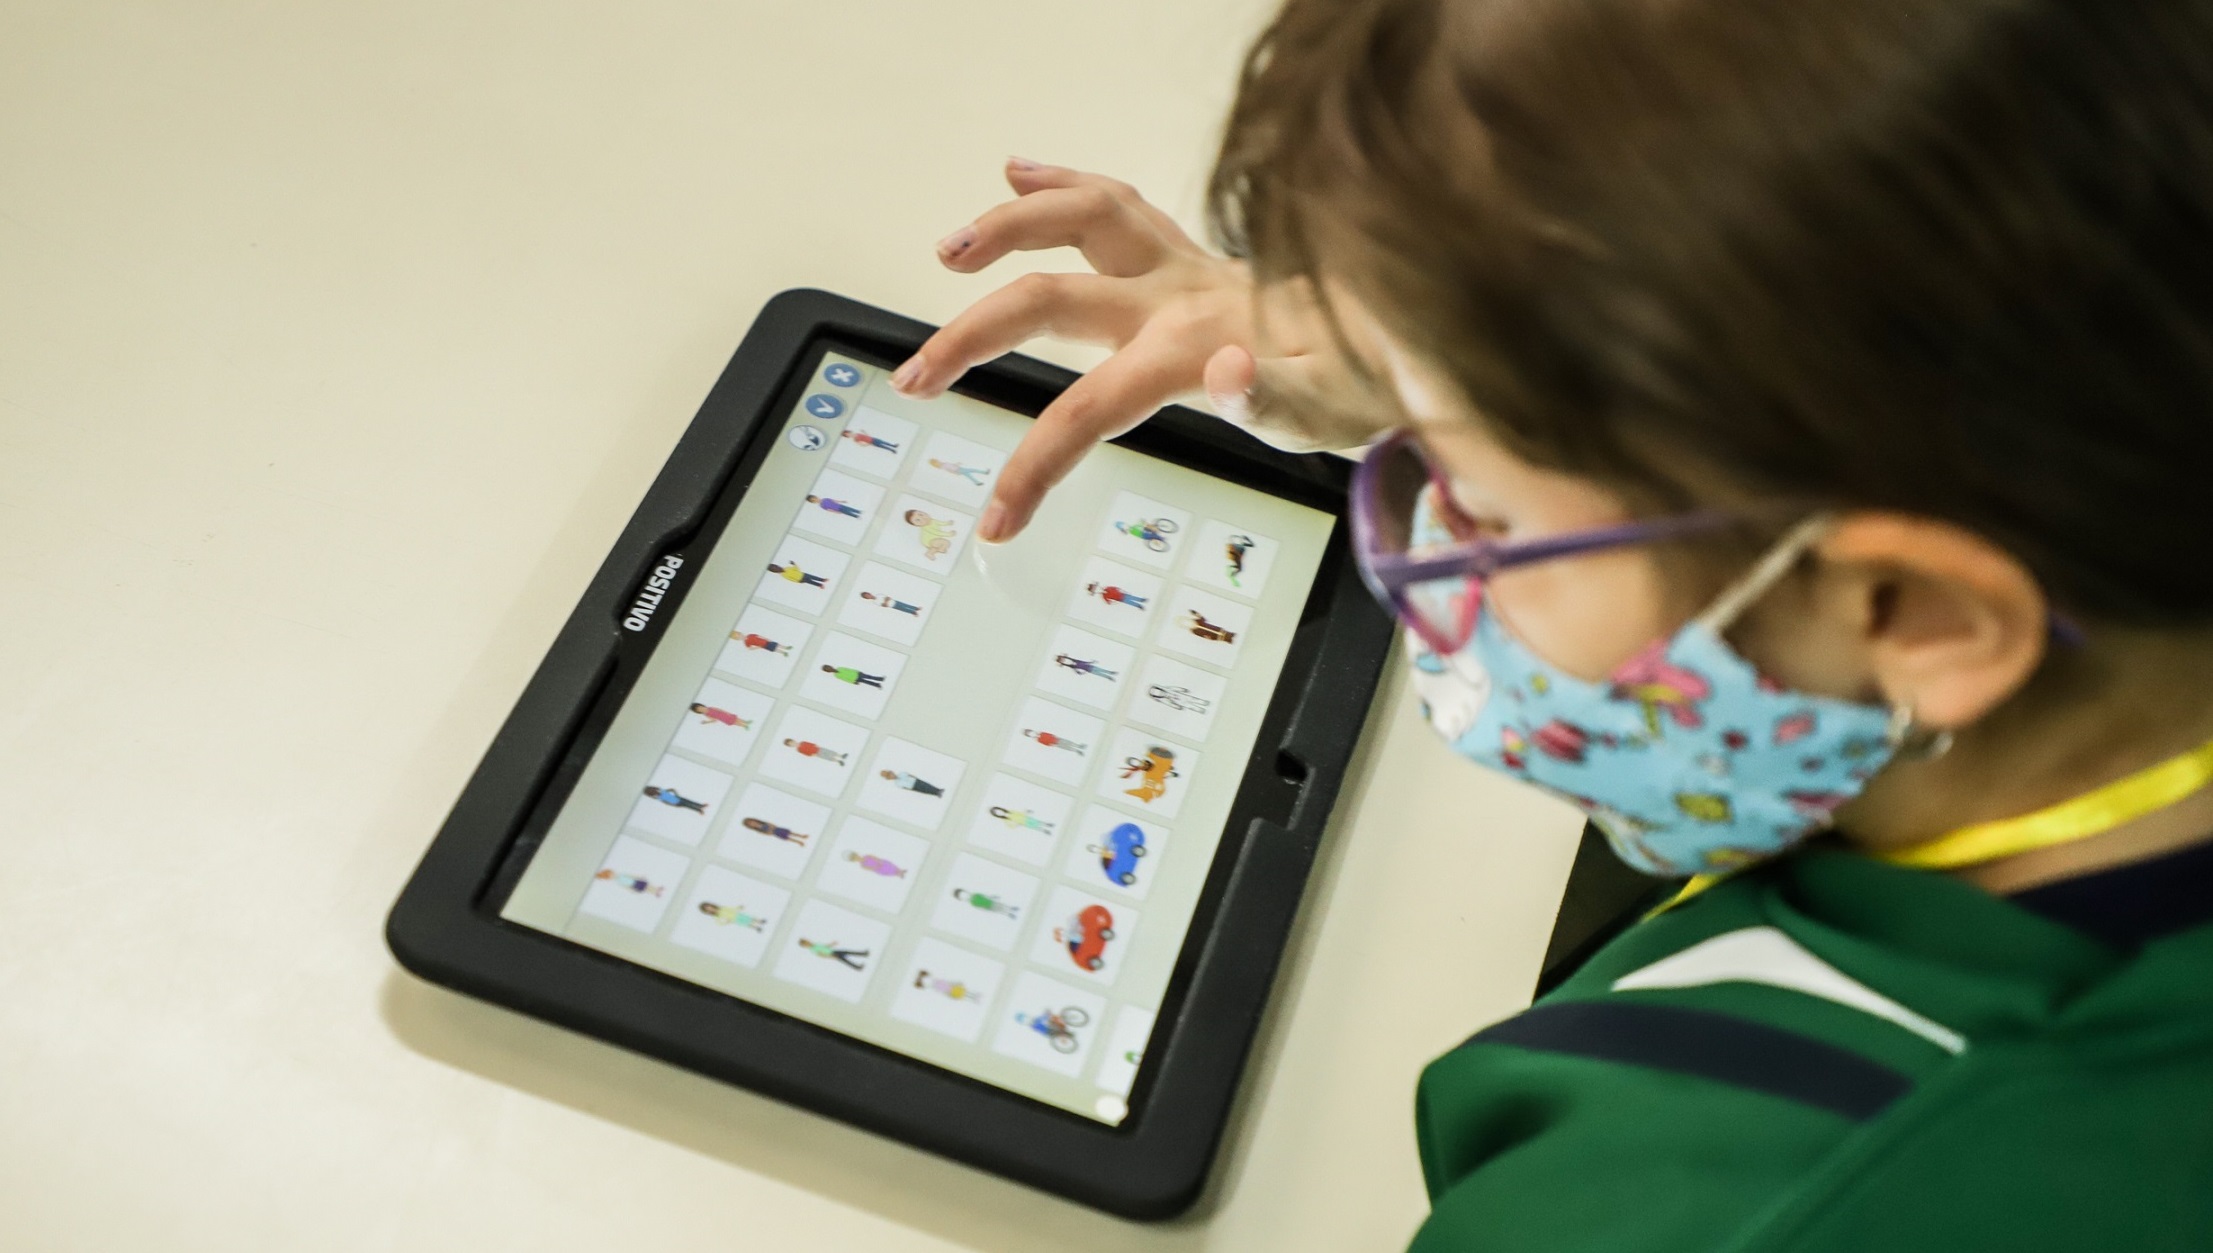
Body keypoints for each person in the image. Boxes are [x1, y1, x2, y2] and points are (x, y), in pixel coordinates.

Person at [882, 2, 2213, 1245]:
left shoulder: (1712, 1197)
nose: (1434, 543)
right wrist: (1451, 362)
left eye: (1478, 504)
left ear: (1909, 610)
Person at [641, 784, 706, 814]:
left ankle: (700, 806)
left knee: (689, 803)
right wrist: (673, 803)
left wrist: (676, 794)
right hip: (675, 802)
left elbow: (672, 790)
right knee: (688, 805)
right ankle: (699, 809)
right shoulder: (659, 797)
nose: (654, 791)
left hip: (676, 799)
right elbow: (666, 802)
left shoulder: (661, 791)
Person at [741, 815, 807, 845]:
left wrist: (772, 827)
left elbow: (771, 824)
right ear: (751, 826)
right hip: (775, 833)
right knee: (787, 838)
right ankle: (798, 842)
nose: (753, 824)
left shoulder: (763, 823)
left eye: (752, 822)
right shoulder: (759, 830)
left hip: (777, 829)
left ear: (755, 820)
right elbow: (766, 833)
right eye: (751, 824)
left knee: (790, 833)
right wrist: (770, 832)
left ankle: (802, 836)